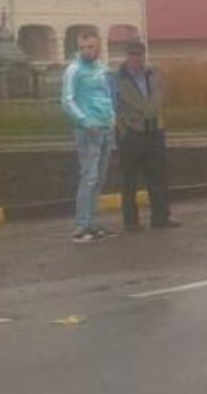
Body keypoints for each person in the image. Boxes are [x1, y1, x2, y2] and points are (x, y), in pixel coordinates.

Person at [115, 40, 177, 230]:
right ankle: (131, 222)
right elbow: (112, 106)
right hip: (131, 134)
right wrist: (123, 130)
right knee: (129, 181)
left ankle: (161, 218)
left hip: (154, 132)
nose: (136, 58)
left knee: (158, 177)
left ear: (144, 55)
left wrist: (160, 123)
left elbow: (163, 96)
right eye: (132, 54)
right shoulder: (117, 79)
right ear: (126, 56)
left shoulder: (154, 74)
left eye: (139, 54)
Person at [62, 31, 115, 242]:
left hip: (105, 128)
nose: (86, 51)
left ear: (98, 47)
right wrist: (84, 121)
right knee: (89, 177)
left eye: (90, 47)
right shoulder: (74, 70)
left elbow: (108, 96)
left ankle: (93, 223)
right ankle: (82, 225)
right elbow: (67, 101)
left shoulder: (102, 69)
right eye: (82, 47)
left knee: (99, 178)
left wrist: (112, 118)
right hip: (87, 131)